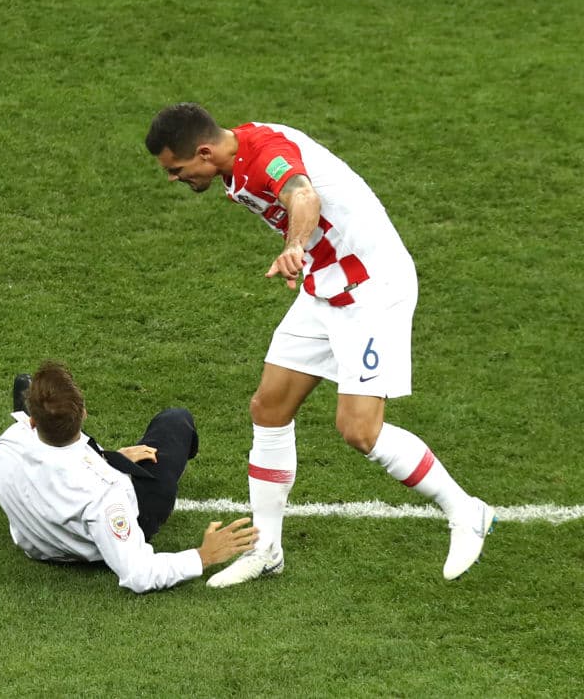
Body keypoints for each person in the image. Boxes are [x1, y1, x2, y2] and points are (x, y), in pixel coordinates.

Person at [145, 103, 495, 585]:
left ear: (203, 152)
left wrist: (293, 246)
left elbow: (302, 195)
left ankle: (467, 510)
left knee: (360, 431)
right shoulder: (232, 163)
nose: (173, 179)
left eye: (176, 169)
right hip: (324, 288)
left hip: (372, 291)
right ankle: (267, 549)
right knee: (268, 408)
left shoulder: (267, 153)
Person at [0, 361, 258, 593]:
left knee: (25, 383)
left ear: (31, 422)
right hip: (107, 530)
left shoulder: (7, 445)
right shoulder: (106, 493)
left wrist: (103, 457)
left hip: (37, 542)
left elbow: (58, 462)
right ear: (83, 413)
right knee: (176, 420)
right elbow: (139, 574)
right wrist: (203, 556)